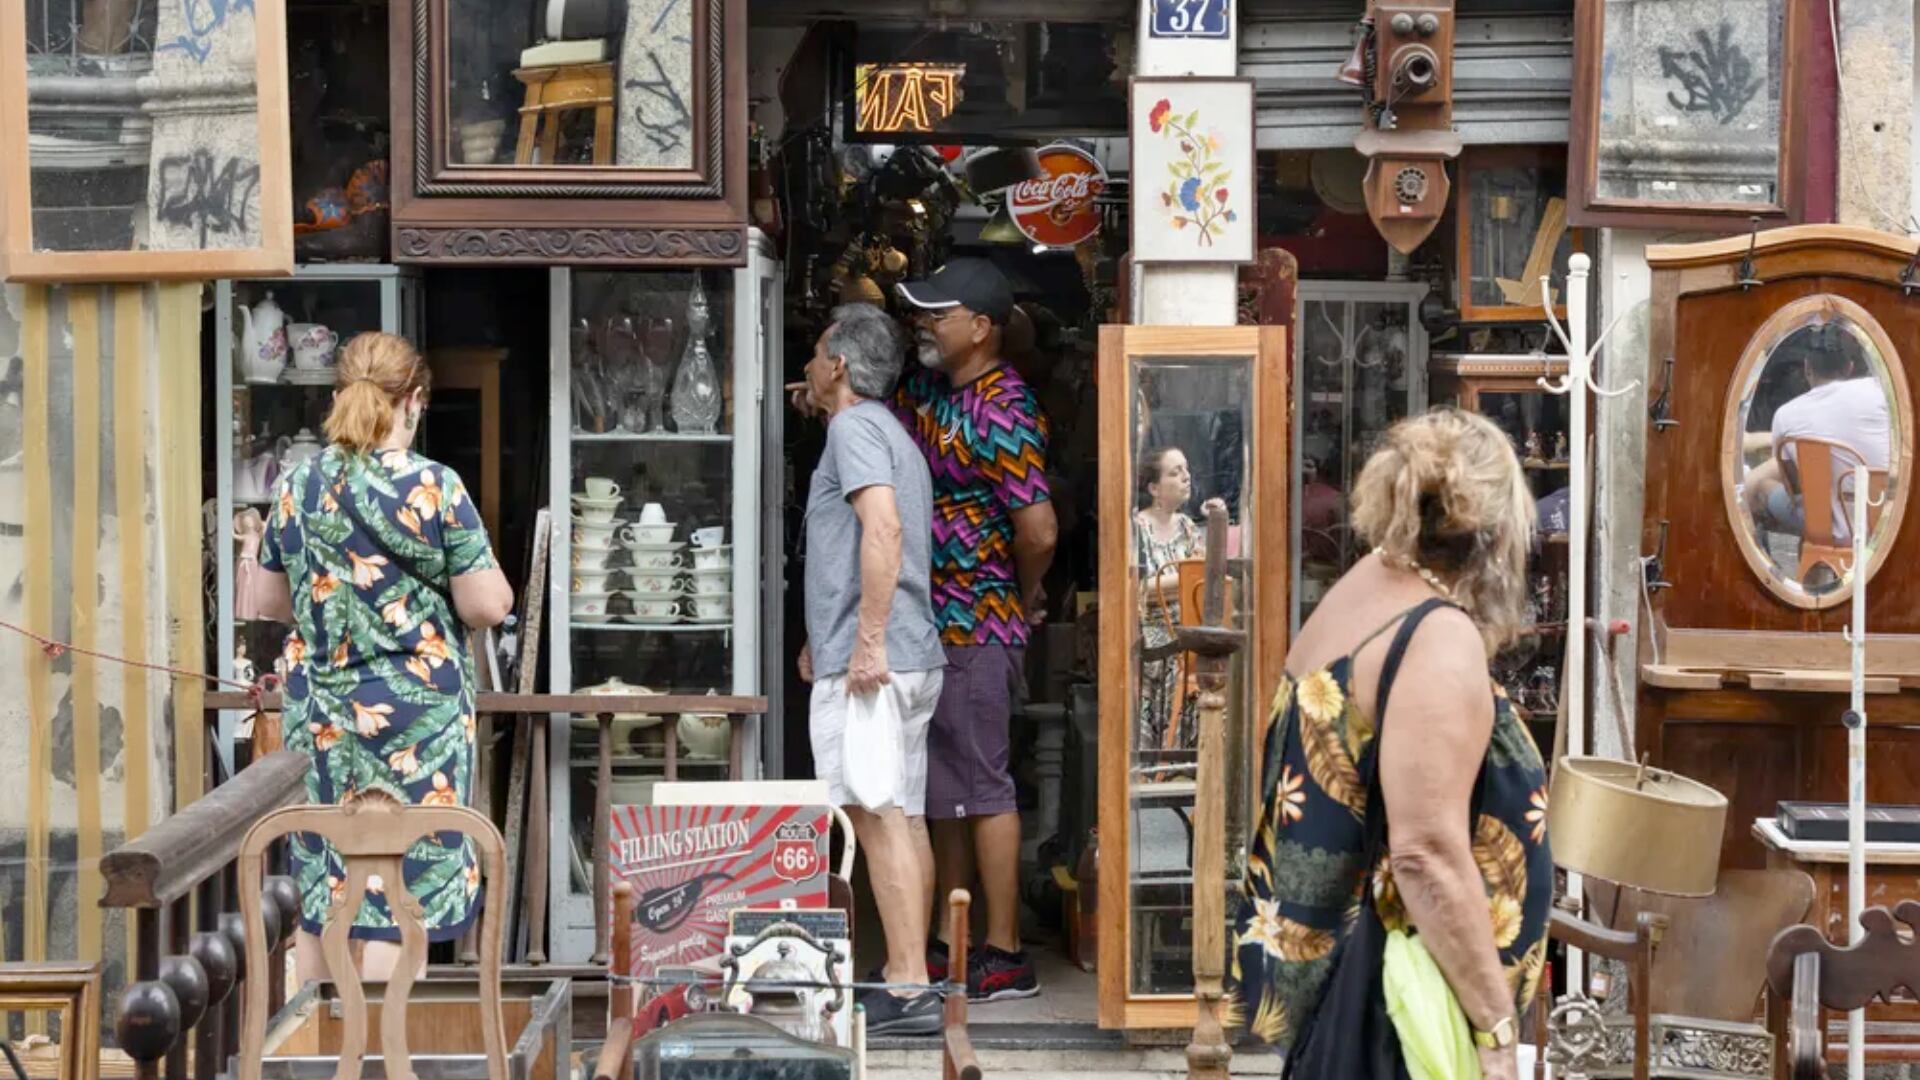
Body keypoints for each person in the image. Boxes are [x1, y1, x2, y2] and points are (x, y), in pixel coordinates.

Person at [1231, 409, 1552, 1080]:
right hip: (1397, 1018)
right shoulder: (1435, 633)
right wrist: (1497, 1031)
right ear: (1494, 530)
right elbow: (1425, 854)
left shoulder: (1360, 593)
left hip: (1349, 1005)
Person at [242, 332, 513, 985]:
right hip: (415, 728)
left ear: (338, 397)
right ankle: (386, 1055)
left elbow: (272, 603)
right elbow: (486, 605)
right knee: (402, 893)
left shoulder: (299, 486)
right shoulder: (435, 487)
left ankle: (312, 1050)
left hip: (328, 723)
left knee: (326, 888)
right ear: (414, 402)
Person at [793, 304, 947, 1035]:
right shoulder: (884, 431)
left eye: (818, 356)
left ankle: (909, 984)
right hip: (910, 654)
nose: (811, 367)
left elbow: (880, 526)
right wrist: (830, 638)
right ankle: (910, 978)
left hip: (879, 661)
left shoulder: (854, 429)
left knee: (875, 811)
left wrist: (864, 643)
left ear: (841, 366)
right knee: (903, 814)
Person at [1745, 323, 1891, 544]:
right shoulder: (1878, 392)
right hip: (1880, 523)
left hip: (1823, 528)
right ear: (1850, 368)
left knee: (1764, 489)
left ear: (1807, 368)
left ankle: (1808, 564)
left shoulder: (1786, 415)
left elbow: (1794, 488)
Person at [1133, 447, 1225, 754]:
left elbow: (1206, 580)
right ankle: (1170, 752)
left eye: (1186, 469)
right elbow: (1137, 590)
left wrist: (1217, 522)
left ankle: (1202, 753)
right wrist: (1181, 582)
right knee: (1184, 662)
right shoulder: (1138, 528)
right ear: (1154, 488)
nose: (1186, 477)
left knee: (1223, 661)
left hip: (1187, 626)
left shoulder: (1187, 526)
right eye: (1175, 472)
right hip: (1152, 630)